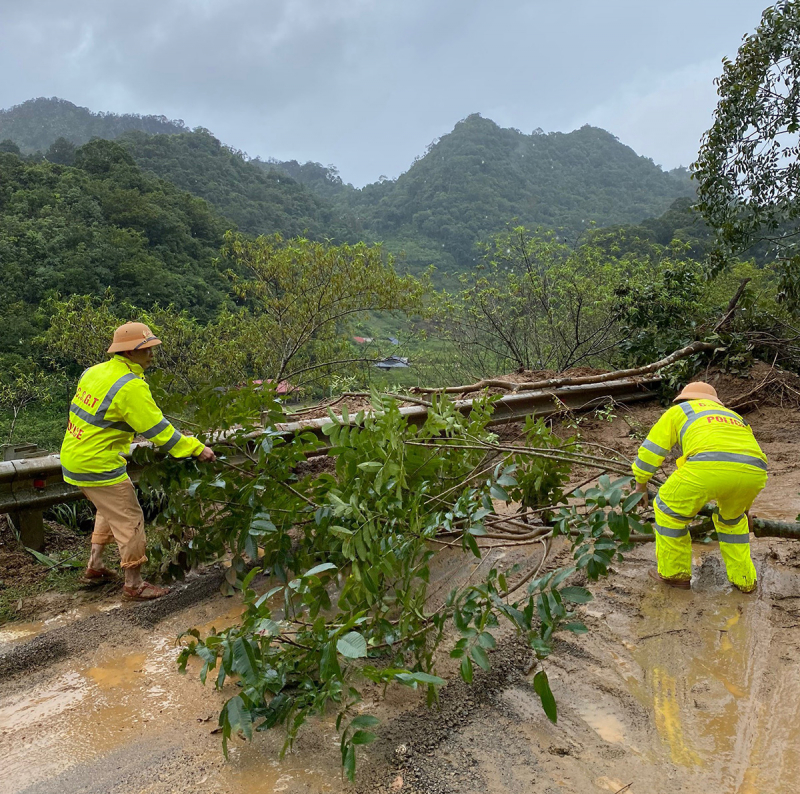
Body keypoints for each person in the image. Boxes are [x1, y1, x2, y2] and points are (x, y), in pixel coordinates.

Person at [60, 322, 216, 600]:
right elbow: (158, 431)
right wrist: (194, 448)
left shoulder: (93, 372)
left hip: (74, 457)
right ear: (129, 352)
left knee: (108, 508)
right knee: (130, 517)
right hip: (98, 464)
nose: (152, 354)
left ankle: (95, 566)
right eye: (146, 349)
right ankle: (134, 583)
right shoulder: (130, 387)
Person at [631, 381, 767, 592]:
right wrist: (744, 509)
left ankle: (675, 575)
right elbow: (741, 459)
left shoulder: (679, 411)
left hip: (705, 467)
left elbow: (652, 450)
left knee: (668, 510)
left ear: (685, 399)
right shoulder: (736, 417)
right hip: (755, 472)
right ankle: (745, 581)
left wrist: (641, 484)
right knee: (732, 523)